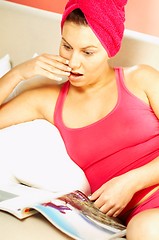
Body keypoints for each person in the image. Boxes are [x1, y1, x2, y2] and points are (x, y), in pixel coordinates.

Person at [1, 0, 159, 239]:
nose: (74, 62)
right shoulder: (47, 100)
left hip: (148, 207)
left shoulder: (141, 79)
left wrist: (131, 182)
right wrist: (18, 73)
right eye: (66, 46)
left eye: (88, 52)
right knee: (144, 228)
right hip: (140, 217)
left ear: (110, 49)